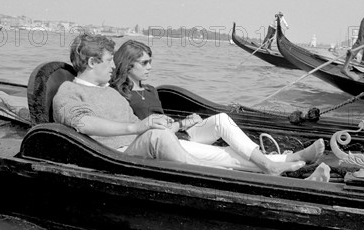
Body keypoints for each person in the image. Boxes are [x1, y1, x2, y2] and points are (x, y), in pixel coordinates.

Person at [53, 34, 327, 178]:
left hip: (144, 143)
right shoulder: (69, 90)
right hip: (114, 155)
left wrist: (171, 125)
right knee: (166, 139)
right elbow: (82, 123)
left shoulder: (109, 92)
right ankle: (277, 170)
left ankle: (283, 170)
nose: (113, 66)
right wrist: (139, 126)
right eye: (108, 60)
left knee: (218, 154)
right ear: (91, 63)